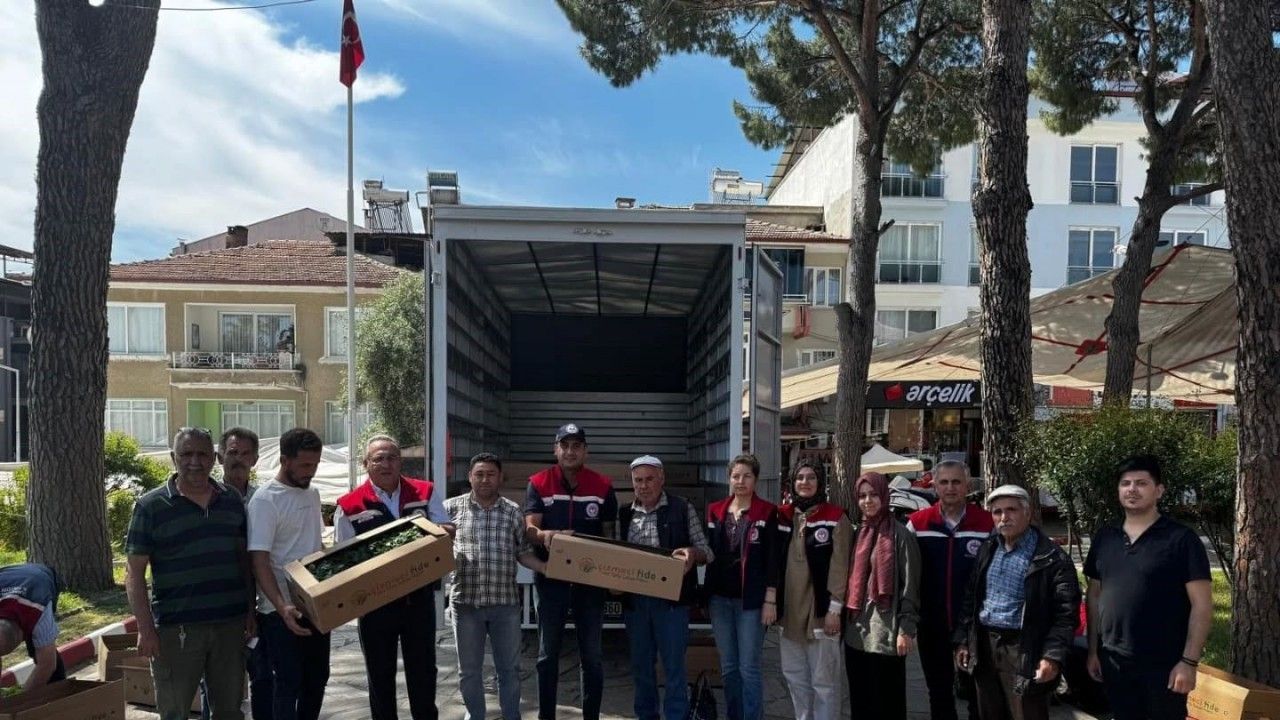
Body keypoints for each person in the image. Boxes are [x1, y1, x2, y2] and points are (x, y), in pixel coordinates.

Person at [124, 427, 252, 720]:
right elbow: (134, 573)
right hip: (176, 630)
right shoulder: (150, 506)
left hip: (229, 626)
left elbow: (243, 560)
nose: (195, 462)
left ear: (214, 458)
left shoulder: (232, 500)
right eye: (186, 454)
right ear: (173, 458)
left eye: (202, 454)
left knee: (229, 711)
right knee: (175, 712)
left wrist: (249, 610)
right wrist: (145, 629)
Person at [333, 435, 453, 720]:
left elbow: (446, 529)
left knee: (423, 672)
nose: (386, 464)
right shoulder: (349, 505)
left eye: (392, 457)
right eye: (378, 459)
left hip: (418, 601)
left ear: (400, 462)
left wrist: (428, 532)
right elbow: (343, 558)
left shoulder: (424, 491)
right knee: (379, 675)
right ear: (366, 464)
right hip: (375, 606)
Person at [1084, 455, 1212, 720]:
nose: (1132, 489)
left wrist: (1189, 662)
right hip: (1113, 661)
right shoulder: (1105, 538)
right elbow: (1094, 595)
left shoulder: (1182, 540)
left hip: (1164, 665)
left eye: (1141, 483)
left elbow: (1202, 605)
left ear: (1159, 490)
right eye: (1125, 483)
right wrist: (1094, 651)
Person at [954, 484, 1080, 720]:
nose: (1004, 517)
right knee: (989, 713)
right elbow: (971, 599)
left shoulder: (1051, 558)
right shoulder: (988, 548)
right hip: (985, 645)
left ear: (1027, 513)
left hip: (1025, 647)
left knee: (1026, 712)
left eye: (1011, 510)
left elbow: (1065, 615)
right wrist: (963, 641)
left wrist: (1052, 656)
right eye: (997, 512)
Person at [524, 423, 619, 720]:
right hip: (550, 579)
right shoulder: (539, 482)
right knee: (547, 655)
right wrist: (546, 536)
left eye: (576, 446)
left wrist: (610, 575)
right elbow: (530, 530)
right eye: (564, 445)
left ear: (585, 451)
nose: (570, 451)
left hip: (590, 582)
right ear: (555, 450)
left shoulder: (602, 486)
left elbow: (610, 536)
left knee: (592, 656)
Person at [446, 452, 546, 720]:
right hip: (466, 604)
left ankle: (511, 715)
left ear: (500, 478)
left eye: (491, 474)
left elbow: (522, 552)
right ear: (469, 477)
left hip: (505, 605)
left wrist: (545, 567)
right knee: (469, 671)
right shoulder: (451, 509)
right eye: (479, 474)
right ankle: (475, 715)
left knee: (509, 670)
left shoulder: (512, 511)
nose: (485, 479)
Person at [621, 455, 713, 720]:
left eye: (649, 479)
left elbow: (707, 551)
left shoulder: (682, 508)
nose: (644, 486)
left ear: (661, 479)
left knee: (674, 668)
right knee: (641, 667)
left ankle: (676, 716)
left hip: (672, 604)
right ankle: (646, 715)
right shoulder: (624, 513)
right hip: (636, 603)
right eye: (638, 480)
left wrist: (691, 554)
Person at [248, 427, 330, 720]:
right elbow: (259, 559)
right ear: (284, 460)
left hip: (314, 606)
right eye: (305, 465)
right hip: (279, 612)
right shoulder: (265, 500)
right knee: (287, 683)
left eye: (315, 464)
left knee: (317, 679)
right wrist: (282, 607)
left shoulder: (313, 493)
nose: (311, 472)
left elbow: (314, 544)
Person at [907, 460, 993, 720]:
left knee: (978, 693)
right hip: (932, 624)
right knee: (939, 692)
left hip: (975, 626)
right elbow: (907, 575)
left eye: (956, 482)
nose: (950, 487)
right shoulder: (917, 524)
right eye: (944, 482)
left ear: (967, 485)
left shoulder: (986, 524)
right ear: (934, 486)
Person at [197, 427, 269, 720]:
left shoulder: (265, 499)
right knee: (216, 687)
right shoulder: (205, 500)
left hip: (262, 605)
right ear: (219, 457)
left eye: (245, 453)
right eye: (232, 452)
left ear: (255, 459)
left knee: (264, 677)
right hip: (220, 606)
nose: (238, 459)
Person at [705, 453, 780, 720]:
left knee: (748, 667)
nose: (740, 481)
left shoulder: (767, 512)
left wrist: (770, 599)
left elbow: (773, 560)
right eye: (736, 476)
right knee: (728, 667)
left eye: (747, 476)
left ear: (755, 479)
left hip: (751, 602)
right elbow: (708, 551)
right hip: (719, 600)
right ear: (729, 479)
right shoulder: (715, 510)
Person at [776, 461, 852, 720]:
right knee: (795, 677)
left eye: (811, 477)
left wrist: (835, 609)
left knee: (824, 682)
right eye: (799, 477)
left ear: (820, 481)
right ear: (792, 482)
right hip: (789, 613)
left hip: (821, 613)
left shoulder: (836, 517)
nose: (805, 482)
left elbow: (841, 566)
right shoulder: (783, 516)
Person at [844, 471, 921, 720]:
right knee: (861, 702)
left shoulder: (900, 535)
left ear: (884, 496)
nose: (867, 501)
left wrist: (906, 629)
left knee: (888, 704)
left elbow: (910, 586)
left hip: (887, 634)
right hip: (857, 634)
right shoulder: (858, 533)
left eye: (874, 495)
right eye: (862, 496)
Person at [0, 563, 65, 689]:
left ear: (23, 635)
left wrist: (23, 698)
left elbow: (48, 665)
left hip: (41, 577)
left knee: (41, 650)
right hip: (7, 573)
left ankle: (59, 690)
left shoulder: (39, 613)